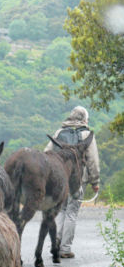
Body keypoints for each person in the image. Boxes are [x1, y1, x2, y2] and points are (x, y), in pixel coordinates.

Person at [44, 106, 100, 258]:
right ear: (84, 119)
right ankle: (65, 249)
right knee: (71, 212)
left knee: (61, 209)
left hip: (59, 179)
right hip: (77, 180)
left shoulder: (59, 132)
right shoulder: (86, 134)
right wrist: (95, 181)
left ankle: (55, 243)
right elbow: (93, 161)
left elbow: (46, 154)